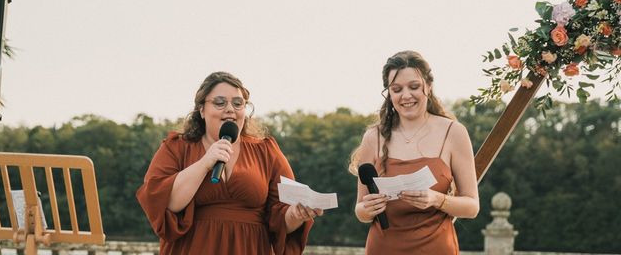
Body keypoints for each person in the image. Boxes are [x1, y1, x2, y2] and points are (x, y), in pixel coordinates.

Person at [137, 71, 322, 255]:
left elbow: (281, 214)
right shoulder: (176, 147)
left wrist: (296, 215)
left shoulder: (266, 150)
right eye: (219, 103)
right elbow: (166, 202)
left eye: (238, 103)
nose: (230, 109)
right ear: (201, 109)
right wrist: (205, 163)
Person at [350, 50, 479, 254]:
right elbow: (360, 210)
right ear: (389, 93)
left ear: (428, 86)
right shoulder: (372, 137)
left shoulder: (454, 133)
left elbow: (472, 207)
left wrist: (437, 199)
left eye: (414, 87)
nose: (406, 95)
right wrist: (367, 209)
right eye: (397, 89)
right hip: (383, 248)